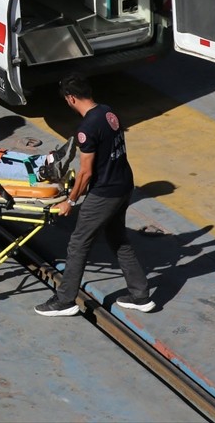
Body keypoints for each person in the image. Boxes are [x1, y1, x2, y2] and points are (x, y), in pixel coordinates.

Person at [35, 75, 155, 317]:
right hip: (124, 185)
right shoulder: (108, 112)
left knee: (78, 243)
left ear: (71, 98)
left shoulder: (86, 129)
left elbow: (86, 172)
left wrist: (70, 201)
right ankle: (140, 294)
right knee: (118, 239)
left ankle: (65, 299)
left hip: (104, 192)